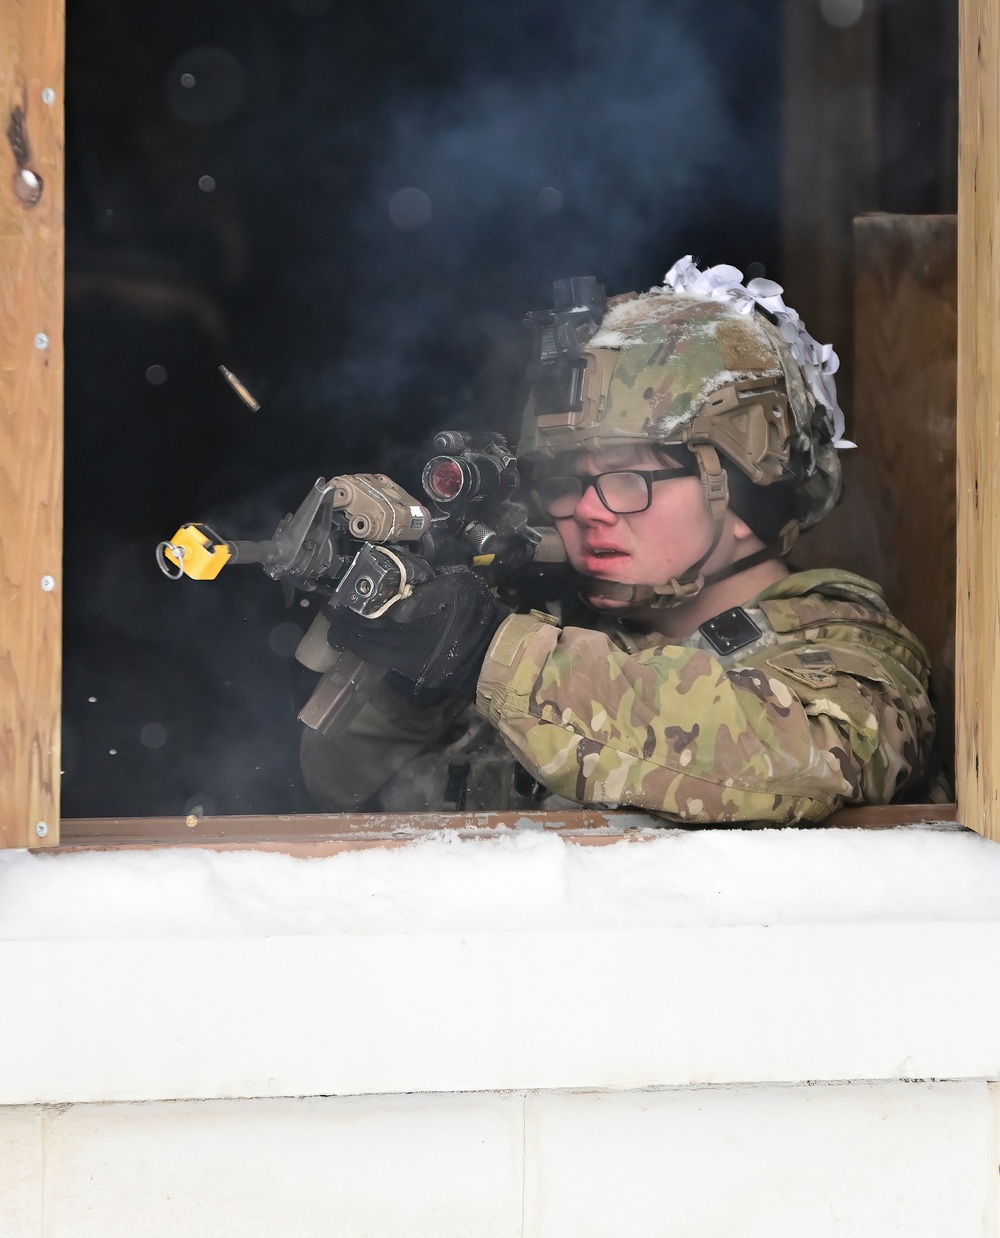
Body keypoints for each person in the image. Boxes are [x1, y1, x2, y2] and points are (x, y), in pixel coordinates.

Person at [299, 256, 935, 822]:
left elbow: (796, 759)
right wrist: (419, 682)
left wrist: (490, 653)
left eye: (629, 479)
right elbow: (334, 784)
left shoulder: (852, 657)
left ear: (745, 493)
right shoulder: (572, 635)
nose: (588, 511)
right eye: (566, 481)